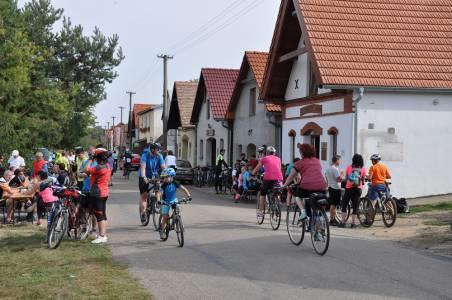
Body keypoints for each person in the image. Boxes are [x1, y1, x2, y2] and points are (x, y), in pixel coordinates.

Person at [283, 144, 326, 221]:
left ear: (302, 153)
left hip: (307, 186)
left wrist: (284, 185)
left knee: (298, 196)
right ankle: (319, 224)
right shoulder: (317, 161)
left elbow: (291, 177)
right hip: (322, 186)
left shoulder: (299, 163)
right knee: (317, 204)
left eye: (300, 152)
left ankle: (303, 213)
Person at [84, 148, 111, 244]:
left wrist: (90, 160)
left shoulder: (98, 167)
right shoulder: (107, 165)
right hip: (104, 193)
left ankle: (101, 236)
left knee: (99, 215)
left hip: (97, 193)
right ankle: (103, 235)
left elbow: (86, 170)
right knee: (102, 214)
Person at [159, 168, 191, 239]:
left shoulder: (175, 182)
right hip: (165, 201)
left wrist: (188, 196)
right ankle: (162, 230)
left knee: (177, 210)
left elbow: (183, 189)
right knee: (165, 217)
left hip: (174, 200)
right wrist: (159, 200)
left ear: (171, 177)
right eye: (163, 178)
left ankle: (176, 220)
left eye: (166, 177)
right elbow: (159, 193)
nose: (164, 179)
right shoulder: (164, 185)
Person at [252, 146, 283, 219]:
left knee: (262, 194)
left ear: (267, 153)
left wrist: (252, 173)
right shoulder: (278, 159)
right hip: (279, 178)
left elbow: (258, 167)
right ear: (274, 153)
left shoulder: (264, 158)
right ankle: (278, 204)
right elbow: (278, 168)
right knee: (277, 190)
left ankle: (261, 212)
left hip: (268, 178)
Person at [138, 143, 166, 223]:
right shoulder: (145, 155)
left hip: (154, 175)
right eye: (158, 149)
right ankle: (143, 213)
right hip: (144, 176)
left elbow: (163, 167)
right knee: (144, 196)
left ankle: (157, 203)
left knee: (158, 188)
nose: (159, 151)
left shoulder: (159, 156)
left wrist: (166, 175)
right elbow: (143, 167)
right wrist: (144, 177)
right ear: (152, 149)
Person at [339, 154, 366, 228]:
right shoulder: (362, 169)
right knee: (355, 206)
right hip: (358, 189)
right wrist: (361, 183)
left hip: (349, 188)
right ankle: (353, 223)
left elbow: (347, 178)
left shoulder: (349, 167)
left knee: (344, 204)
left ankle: (343, 222)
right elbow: (363, 180)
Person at [325, 155, 343, 226]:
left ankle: (332, 219)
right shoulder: (335, 169)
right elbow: (338, 179)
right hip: (335, 188)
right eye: (339, 160)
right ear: (337, 160)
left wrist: (328, 184)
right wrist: (342, 175)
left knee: (333, 204)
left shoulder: (328, 168)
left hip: (330, 187)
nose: (340, 162)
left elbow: (325, 176)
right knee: (334, 205)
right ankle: (332, 219)